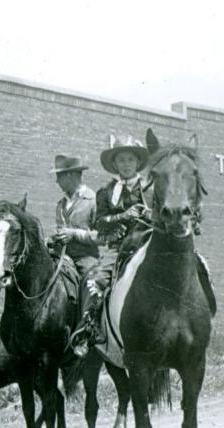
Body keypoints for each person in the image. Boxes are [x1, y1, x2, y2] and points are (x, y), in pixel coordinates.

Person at [69, 135, 153, 353]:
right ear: (115, 164)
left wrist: (150, 214)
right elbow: (99, 223)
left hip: (148, 246)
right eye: (122, 160)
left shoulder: (151, 188)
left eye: (130, 160)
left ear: (137, 163)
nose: (126, 165)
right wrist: (123, 216)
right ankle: (89, 328)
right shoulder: (106, 192)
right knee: (94, 280)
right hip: (119, 250)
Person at [47, 155, 101, 356]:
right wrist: (55, 239)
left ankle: (86, 332)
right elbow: (60, 232)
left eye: (59, 177)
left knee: (92, 282)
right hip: (63, 257)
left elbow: (102, 236)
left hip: (86, 258)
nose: (57, 182)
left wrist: (74, 234)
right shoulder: (60, 204)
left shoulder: (93, 200)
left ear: (71, 176)